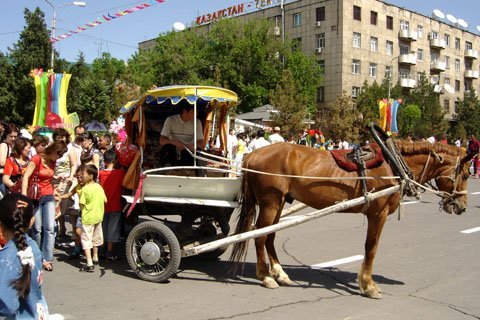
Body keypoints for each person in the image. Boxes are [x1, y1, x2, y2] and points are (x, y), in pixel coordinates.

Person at [0, 193, 49, 319]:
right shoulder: (32, 247)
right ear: (32, 221)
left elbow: (8, 305)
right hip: (37, 313)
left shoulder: (8, 257)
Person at [21, 140, 68, 272]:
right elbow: (26, 177)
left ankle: (47, 258)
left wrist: (56, 181)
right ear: (53, 151)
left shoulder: (53, 162)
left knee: (50, 228)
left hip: (48, 196)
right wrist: (24, 197)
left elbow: (49, 179)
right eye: (58, 155)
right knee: (37, 229)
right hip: (36, 197)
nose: (59, 158)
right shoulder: (36, 159)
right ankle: (37, 256)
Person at [78, 164, 107, 272]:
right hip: (99, 216)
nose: (82, 176)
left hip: (88, 218)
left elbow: (81, 205)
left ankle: (89, 262)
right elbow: (105, 200)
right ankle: (95, 257)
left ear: (90, 175)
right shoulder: (99, 187)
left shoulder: (85, 189)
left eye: (83, 174)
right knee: (96, 237)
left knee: (86, 239)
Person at [159, 101, 203, 167]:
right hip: (173, 151)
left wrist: (191, 146)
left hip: (189, 152)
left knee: (199, 155)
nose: (196, 114)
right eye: (193, 111)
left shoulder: (197, 122)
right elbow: (162, 141)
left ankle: (201, 176)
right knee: (166, 148)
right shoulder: (170, 120)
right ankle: (163, 172)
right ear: (185, 111)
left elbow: (201, 143)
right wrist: (175, 143)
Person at [99, 150, 125, 261]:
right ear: (116, 161)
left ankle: (101, 249)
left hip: (103, 205)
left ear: (104, 161)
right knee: (113, 229)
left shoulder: (101, 173)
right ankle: (109, 252)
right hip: (116, 205)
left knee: (103, 227)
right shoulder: (120, 173)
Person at [52, 128, 78, 238]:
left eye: (62, 137)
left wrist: (71, 177)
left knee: (71, 207)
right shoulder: (52, 148)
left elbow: (74, 164)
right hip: (55, 180)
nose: (61, 139)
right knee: (57, 205)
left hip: (68, 180)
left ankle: (74, 233)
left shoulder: (70, 149)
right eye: (58, 137)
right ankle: (61, 228)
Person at [0, 124, 20, 196]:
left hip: (10, 176)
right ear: (6, 135)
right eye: (11, 136)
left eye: (15, 137)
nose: (13, 138)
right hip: (2, 178)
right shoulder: (4, 145)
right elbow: (2, 162)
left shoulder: (12, 146)